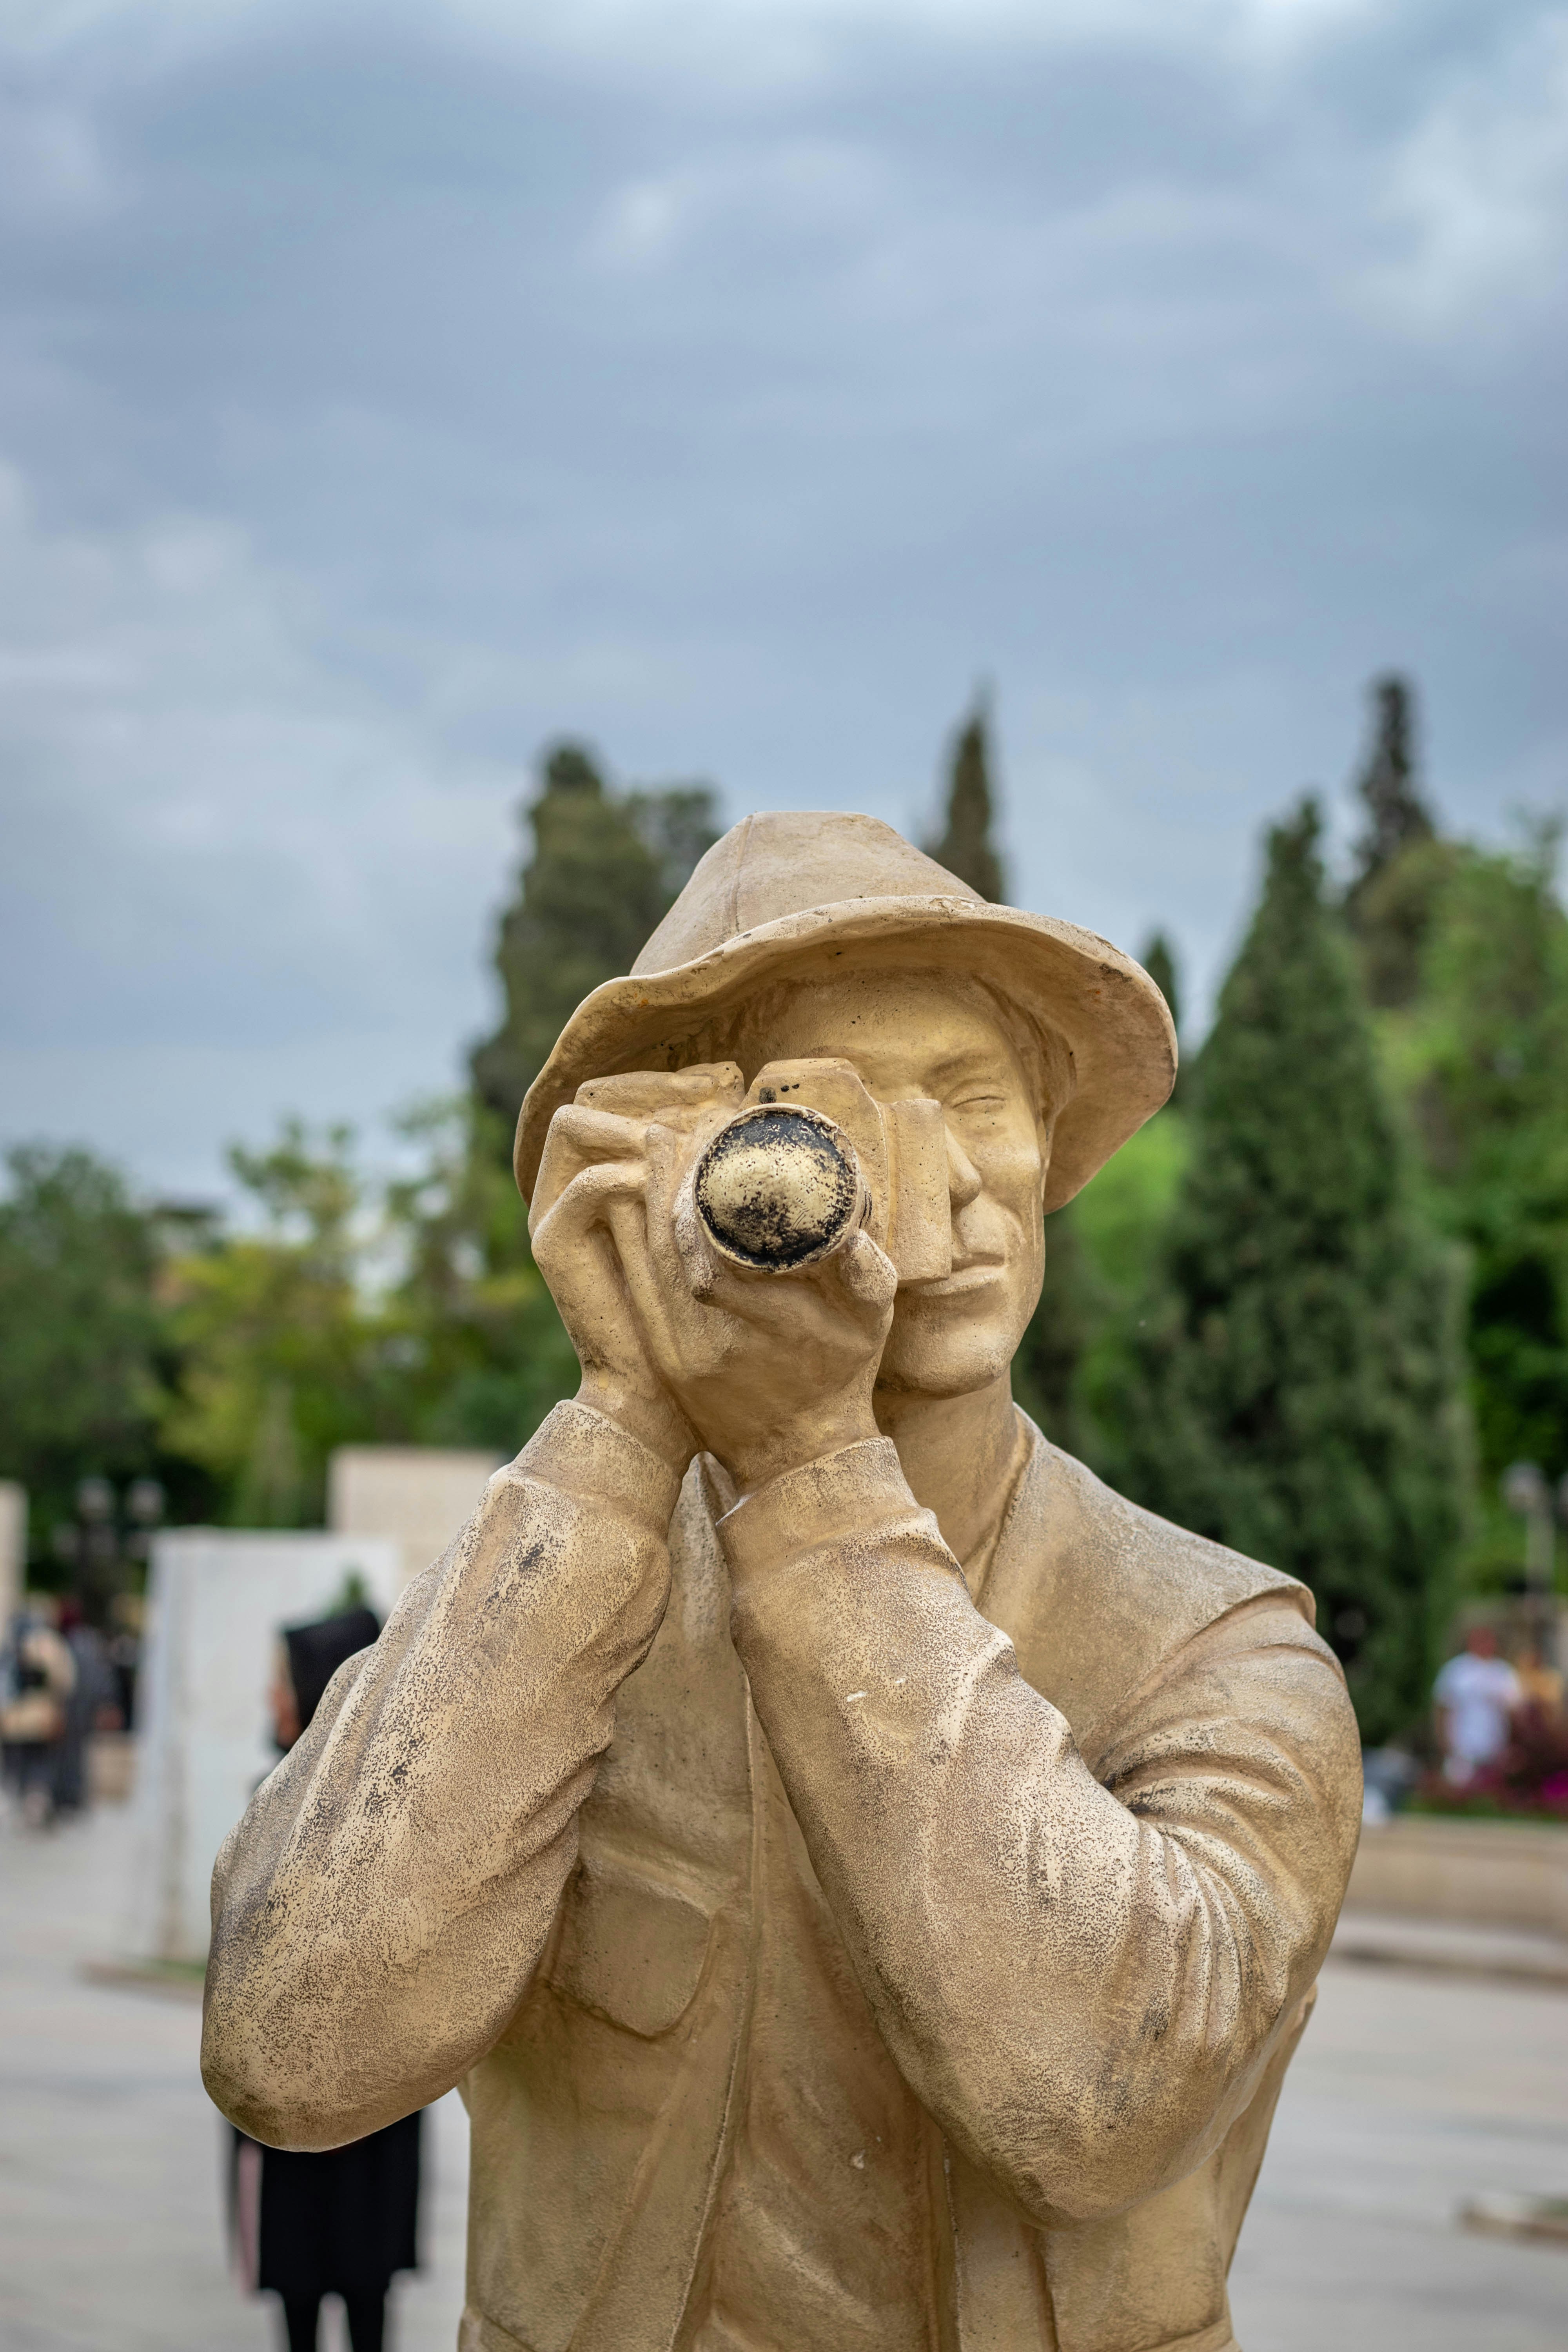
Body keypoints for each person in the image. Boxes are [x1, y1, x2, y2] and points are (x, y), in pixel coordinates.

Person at [203, 813, 1362, 2352]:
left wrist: (812, 1473)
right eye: (843, 1114)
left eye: (972, 1097)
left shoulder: (1213, 1650)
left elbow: (1098, 2099)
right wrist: (620, 1419)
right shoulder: (555, 1615)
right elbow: (296, 2050)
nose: (936, 1181)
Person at [229, 1604, 421, 2352]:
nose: (271, 1699)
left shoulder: (385, 1816)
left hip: (364, 2099)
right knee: (303, 2288)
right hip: (294, 2108)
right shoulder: (272, 1800)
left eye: (282, 1681)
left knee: (362, 2289)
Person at [0, 1603, 77, 1829]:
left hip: (17, 1718)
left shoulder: (14, 1645)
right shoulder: (50, 1646)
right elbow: (65, 1682)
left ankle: (26, 1805)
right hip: (41, 1715)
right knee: (40, 1764)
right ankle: (33, 1807)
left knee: (22, 1763)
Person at [1433, 1625, 1523, 1785]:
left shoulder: (1504, 1672)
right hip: (1462, 1749)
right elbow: (1442, 1709)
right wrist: (1445, 1746)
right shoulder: (1456, 1670)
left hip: (1496, 1748)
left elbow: (1517, 1711)